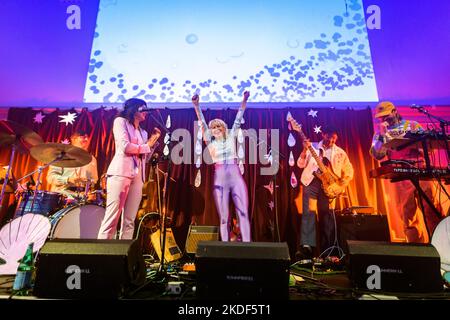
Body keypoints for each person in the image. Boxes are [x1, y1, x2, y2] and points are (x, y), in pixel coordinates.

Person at [370, 101, 441, 243]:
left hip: (420, 173)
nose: (384, 119)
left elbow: (429, 147)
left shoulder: (412, 125)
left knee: (431, 211)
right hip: (400, 177)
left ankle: (440, 246)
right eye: (381, 117)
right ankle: (417, 251)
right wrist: (384, 136)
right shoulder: (379, 134)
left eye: (386, 115)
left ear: (394, 111)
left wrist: (413, 144)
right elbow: (377, 155)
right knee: (407, 216)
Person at [97, 98, 161, 240]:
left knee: (130, 220)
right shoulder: (120, 122)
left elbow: (144, 156)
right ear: (134, 109)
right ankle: (101, 255)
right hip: (121, 173)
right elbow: (125, 146)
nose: (146, 112)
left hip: (138, 177)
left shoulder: (143, 132)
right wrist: (147, 145)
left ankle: (123, 255)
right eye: (143, 108)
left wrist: (153, 143)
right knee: (112, 217)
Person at [192, 91, 251, 242]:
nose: (216, 128)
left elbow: (239, 116)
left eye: (219, 126)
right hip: (220, 177)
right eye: (213, 127)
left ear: (224, 128)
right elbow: (202, 123)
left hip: (234, 174)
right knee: (224, 218)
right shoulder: (210, 142)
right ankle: (225, 247)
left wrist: (244, 100)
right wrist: (196, 106)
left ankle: (247, 246)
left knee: (243, 212)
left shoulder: (231, 137)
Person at [295, 125, 354, 258]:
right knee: (308, 213)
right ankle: (307, 247)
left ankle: (328, 250)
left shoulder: (340, 152)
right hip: (311, 182)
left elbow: (349, 170)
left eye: (334, 139)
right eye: (329, 137)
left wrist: (341, 184)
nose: (331, 141)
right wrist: (304, 150)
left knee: (327, 216)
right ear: (323, 135)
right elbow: (300, 164)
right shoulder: (312, 147)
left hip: (328, 186)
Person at [46, 130, 98, 200]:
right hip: (63, 196)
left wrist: (89, 191)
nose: (86, 139)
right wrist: (68, 179)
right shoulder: (62, 156)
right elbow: (50, 178)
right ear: (73, 139)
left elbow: (94, 180)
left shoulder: (92, 159)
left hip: (82, 198)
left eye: (87, 137)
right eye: (83, 137)